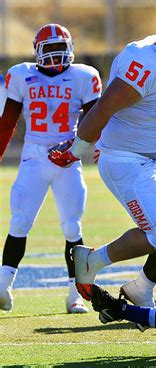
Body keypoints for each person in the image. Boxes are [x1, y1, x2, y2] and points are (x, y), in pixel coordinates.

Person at [47, 8, 156, 325]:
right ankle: (90, 261)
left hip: (151, 159)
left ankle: (141, 289)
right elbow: (104, 107)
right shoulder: (148, 61)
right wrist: (79, 147)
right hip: (127, 160)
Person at [0, 24, 102, 313]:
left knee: (72, 227)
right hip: (34, 156)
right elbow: (7, 122)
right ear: (37, 51)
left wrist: (89, 149)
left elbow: (98, 120)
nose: (57, 55)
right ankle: (3, 286)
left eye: (61, 48)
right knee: (19, 222)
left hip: (68, 159)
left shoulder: (84, 76)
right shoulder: (22, 74)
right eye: (51, 48)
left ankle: (75, 294)